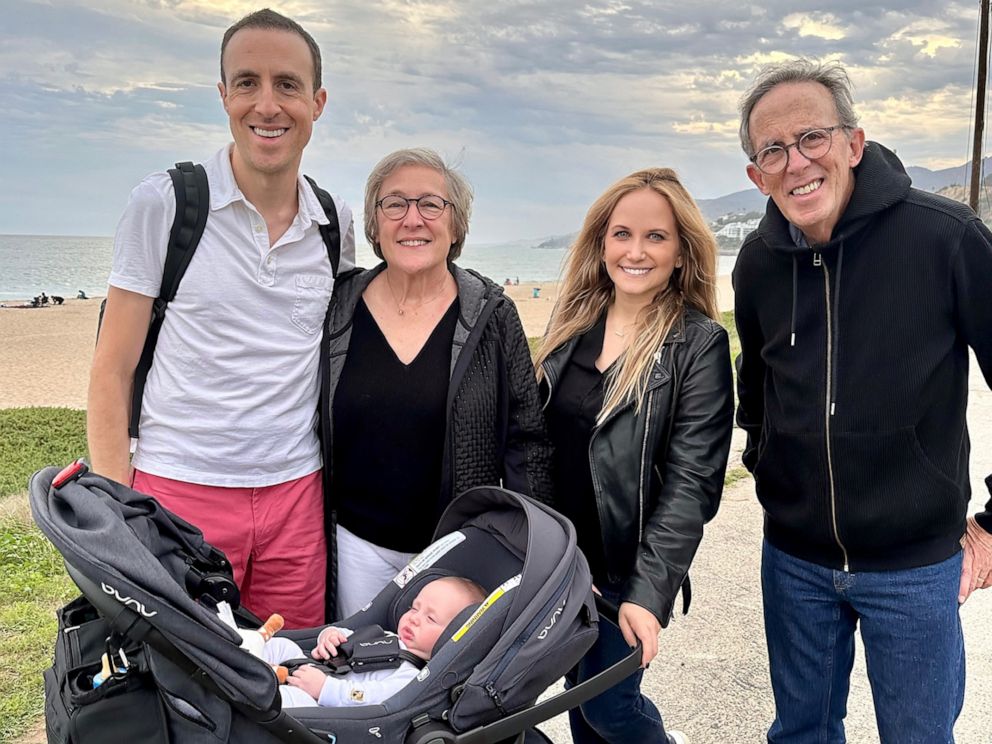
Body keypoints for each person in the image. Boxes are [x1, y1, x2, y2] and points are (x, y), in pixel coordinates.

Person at [734, 58, 992, 743]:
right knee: (800, 734)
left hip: (915, 566)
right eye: (774, 150)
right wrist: (772, 468)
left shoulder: (946, 238)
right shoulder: (758, 263)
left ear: (854, 143)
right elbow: (754, 392)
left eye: (812, 138)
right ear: (756, 175)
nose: (796, 162)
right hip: (794, 563)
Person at [87, 9, 355, 629]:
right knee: (183, 687)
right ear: (223, 96)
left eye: (287, 84)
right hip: (178, 488)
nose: (268, 104)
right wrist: (116, 508)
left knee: (293, 681)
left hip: (298, 494)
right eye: (247, 82)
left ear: (317, 102)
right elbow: (111, 367)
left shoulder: (332, 221)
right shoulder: (165, 203)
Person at [535, 168, 734, 744]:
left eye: (656, 237)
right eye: (622, 234)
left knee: (609, 711)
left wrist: (648, 596)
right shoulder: (572, 327)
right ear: (601, 244)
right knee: (583, 711)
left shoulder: (697, 343)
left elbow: (693, 483)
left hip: (627, 572)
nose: (636, 251)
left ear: (681, 253)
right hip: (563, 566)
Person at [322, 147, 552, 619]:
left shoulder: (492, 315)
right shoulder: (337, 307)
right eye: (395, 204)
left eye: (430, 204)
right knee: (355, 675)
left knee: (444, 685)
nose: (413, 219)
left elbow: (527, 443)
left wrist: (536, 553)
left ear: (455, 225)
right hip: (353, 548)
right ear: (375, 223)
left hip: (457, 555)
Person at [263, 576, 485, 707]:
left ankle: (250, 687)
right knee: (282, 646)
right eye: (414, 607)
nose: (414, 618)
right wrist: (329, 637)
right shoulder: (388, 638)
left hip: (323, 701)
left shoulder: (411, 677)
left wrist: (325, 688)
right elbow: (347, 635)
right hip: (315, 668)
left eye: (430, 618)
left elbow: (369, 698)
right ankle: (244, 657)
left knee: (293, 701)